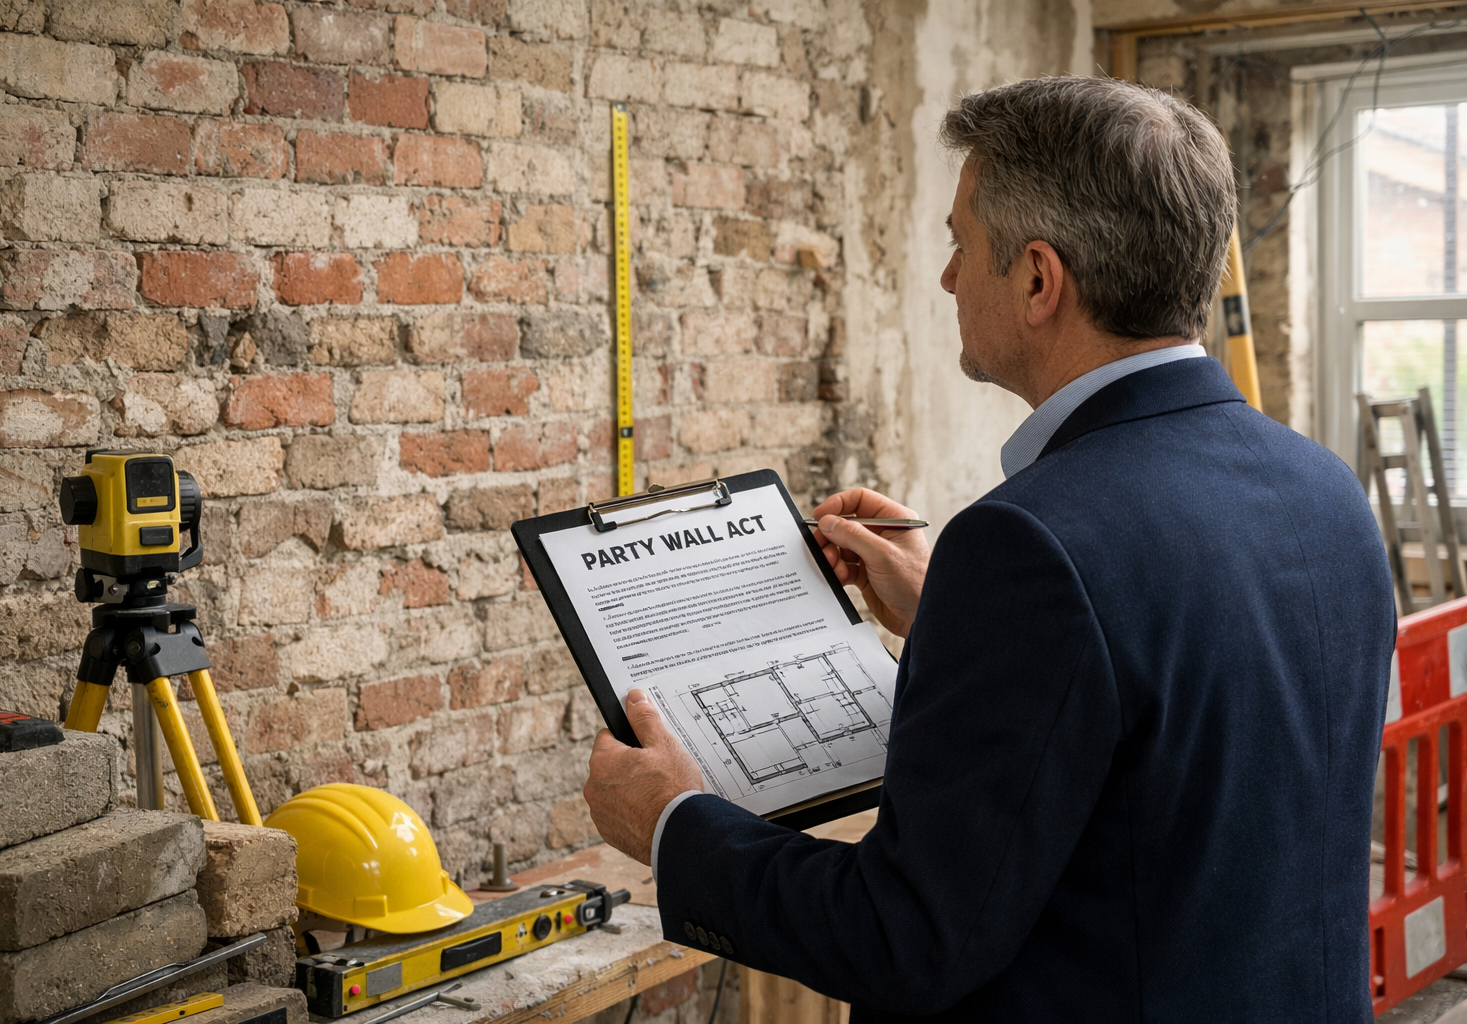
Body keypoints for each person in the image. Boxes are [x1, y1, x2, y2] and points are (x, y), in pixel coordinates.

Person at [582, 76, 1395, 1022]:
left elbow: (907, 937)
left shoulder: (1030, 546)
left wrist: (677, 825)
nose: (948, 276)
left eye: (961, 243)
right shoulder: (1323, 487)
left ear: (1041, 280)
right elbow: (1175, 735)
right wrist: (950, 616)